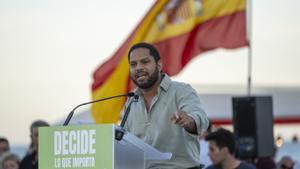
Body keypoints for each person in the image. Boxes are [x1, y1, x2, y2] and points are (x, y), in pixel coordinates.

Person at [123, 42, 209, 169]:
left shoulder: (181, 91)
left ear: (159, 65)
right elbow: (125, 142)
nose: (138, 68)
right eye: (133, 64)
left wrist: (189, 120)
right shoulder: (131, 101)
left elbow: (200, 118)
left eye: (145, 62)